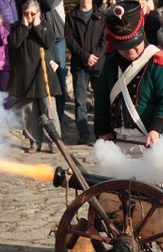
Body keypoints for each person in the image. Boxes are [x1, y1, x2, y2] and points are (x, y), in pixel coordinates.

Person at [94, 0, 163, 151]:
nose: (129, 50)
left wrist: (157, 130)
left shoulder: (161, 63)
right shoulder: (111, 63)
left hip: (157, 138)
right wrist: (103, 130)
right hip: (123, 142)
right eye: (123, 47)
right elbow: (102, 97)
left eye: (133, 44)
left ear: (142, 34)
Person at [8, 0, 62, 153]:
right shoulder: (17, 27)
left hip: (43, 73)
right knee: (29, 111)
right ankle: (34, 142)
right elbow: (14, 42)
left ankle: (54, 141)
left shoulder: (45, 25)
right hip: (24, 74)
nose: (30, 16)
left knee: (48, 108)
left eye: (33, 13)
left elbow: (48, 41)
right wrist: (25, 26)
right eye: (27, 13)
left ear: (38, 13)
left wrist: (37, 26)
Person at [65, 0, 107, 145]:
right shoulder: (71, 16)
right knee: (80, 102)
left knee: (101, 100)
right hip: (79, 65)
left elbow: (105, 39)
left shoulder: (101, 16)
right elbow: (70, 40)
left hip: (98, 64)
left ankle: (101, 131)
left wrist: (94, 56)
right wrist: (85, 56)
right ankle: (83, 133)